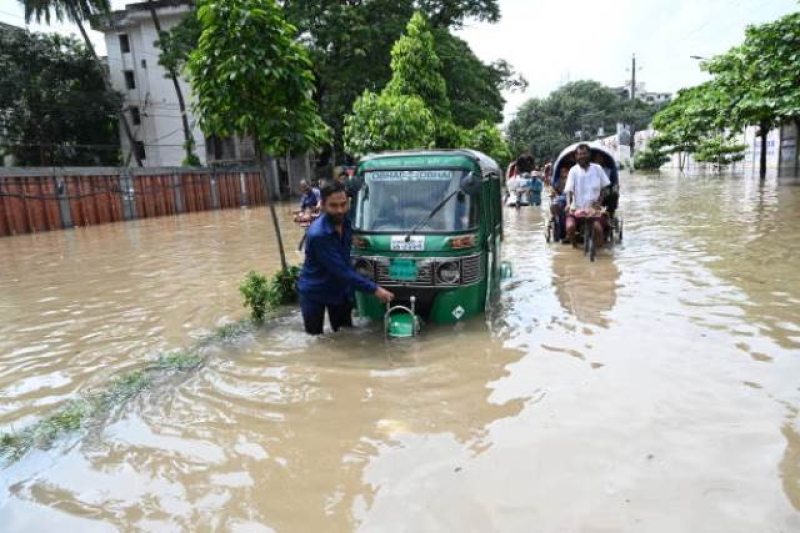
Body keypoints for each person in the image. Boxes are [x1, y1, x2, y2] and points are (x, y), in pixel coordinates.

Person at [298, 181, 394, 335]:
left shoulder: (346, 221)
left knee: (345, 334)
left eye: (343, 204)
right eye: (333, 206)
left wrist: (354, 238)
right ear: (322, 205)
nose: (340, 210)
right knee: (315, 338)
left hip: (339, 289)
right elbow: (341, 271)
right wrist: (375, 289)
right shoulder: (319, 235)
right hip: (315, 291)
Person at [564, 144, 611, 250]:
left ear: (589, 154)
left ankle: (599, 254)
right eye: (579, 154)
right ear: (576, 157)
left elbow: (604, 189)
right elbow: (569, 191)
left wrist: (599, 202)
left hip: (594, 209)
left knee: (598, 230)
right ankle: (575, 247)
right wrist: (568, 204)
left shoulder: (597, 169)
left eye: (584, 153)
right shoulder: (573, 171)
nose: (582, 156)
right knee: (570, 227)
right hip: (577, 208)